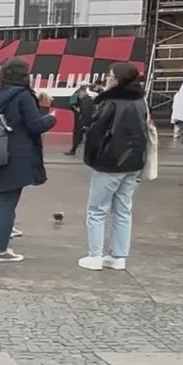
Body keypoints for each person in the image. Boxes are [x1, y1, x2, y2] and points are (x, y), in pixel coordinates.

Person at [0, 58, 55, 261]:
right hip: (15, 156)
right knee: (7, 203)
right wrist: (51, 117)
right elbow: (35, 125)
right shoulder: (23, 96)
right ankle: (1, 250)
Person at [78, 61, 148, 270]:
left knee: (97, 210)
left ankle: (95, 255)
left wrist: (91, 157)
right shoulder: (140, 100)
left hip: (110, 161)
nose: (107, 78)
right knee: (123, 209)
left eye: (110, 75)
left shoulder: (110, 102)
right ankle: (118, 256)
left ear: (118, 79)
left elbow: (96, 132)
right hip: (134, 161)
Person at [68, 83, 97, 155]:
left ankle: (74, 149)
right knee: (81, 133)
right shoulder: (77, 93)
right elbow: (71, 103)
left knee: (79, 133)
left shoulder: (88, 97)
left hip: (84, 117)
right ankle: (75, 149)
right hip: (83, 117)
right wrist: (76, 109)